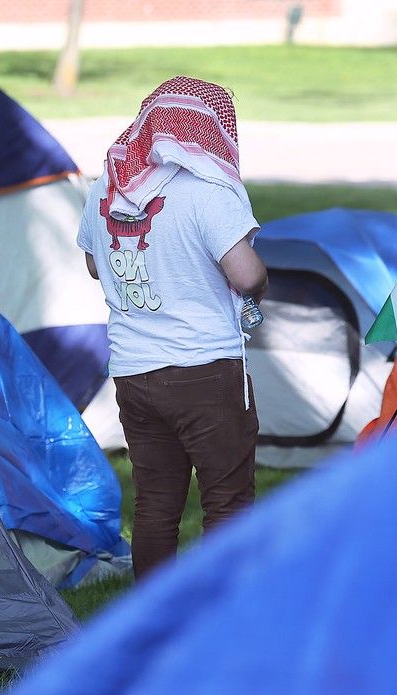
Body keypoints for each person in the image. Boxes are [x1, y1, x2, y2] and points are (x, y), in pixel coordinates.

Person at [77, 76, 267, 580]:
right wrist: (257, 289)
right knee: (226, 502)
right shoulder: (208, 193)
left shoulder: (107, 188)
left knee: (155, 505)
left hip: (134, 372)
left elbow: (97, 266)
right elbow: (246, 274)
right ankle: (220, 617)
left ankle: (153, 623)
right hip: (205, 370)